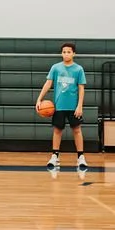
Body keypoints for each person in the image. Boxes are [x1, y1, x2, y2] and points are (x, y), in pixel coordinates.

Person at [36, 42, 88, 171]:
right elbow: (48, 83)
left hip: (73, 107)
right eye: (64, 52)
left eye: (69, 52)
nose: (66, 54)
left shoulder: (78, 69)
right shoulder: (56, 68)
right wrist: (39, 99)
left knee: (77, 130)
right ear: (61, 53)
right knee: (57, 130)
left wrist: (80, 106)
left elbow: (81, 88)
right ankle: (55, 156)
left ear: (74, 53)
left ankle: (81, 157)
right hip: (59, 106)